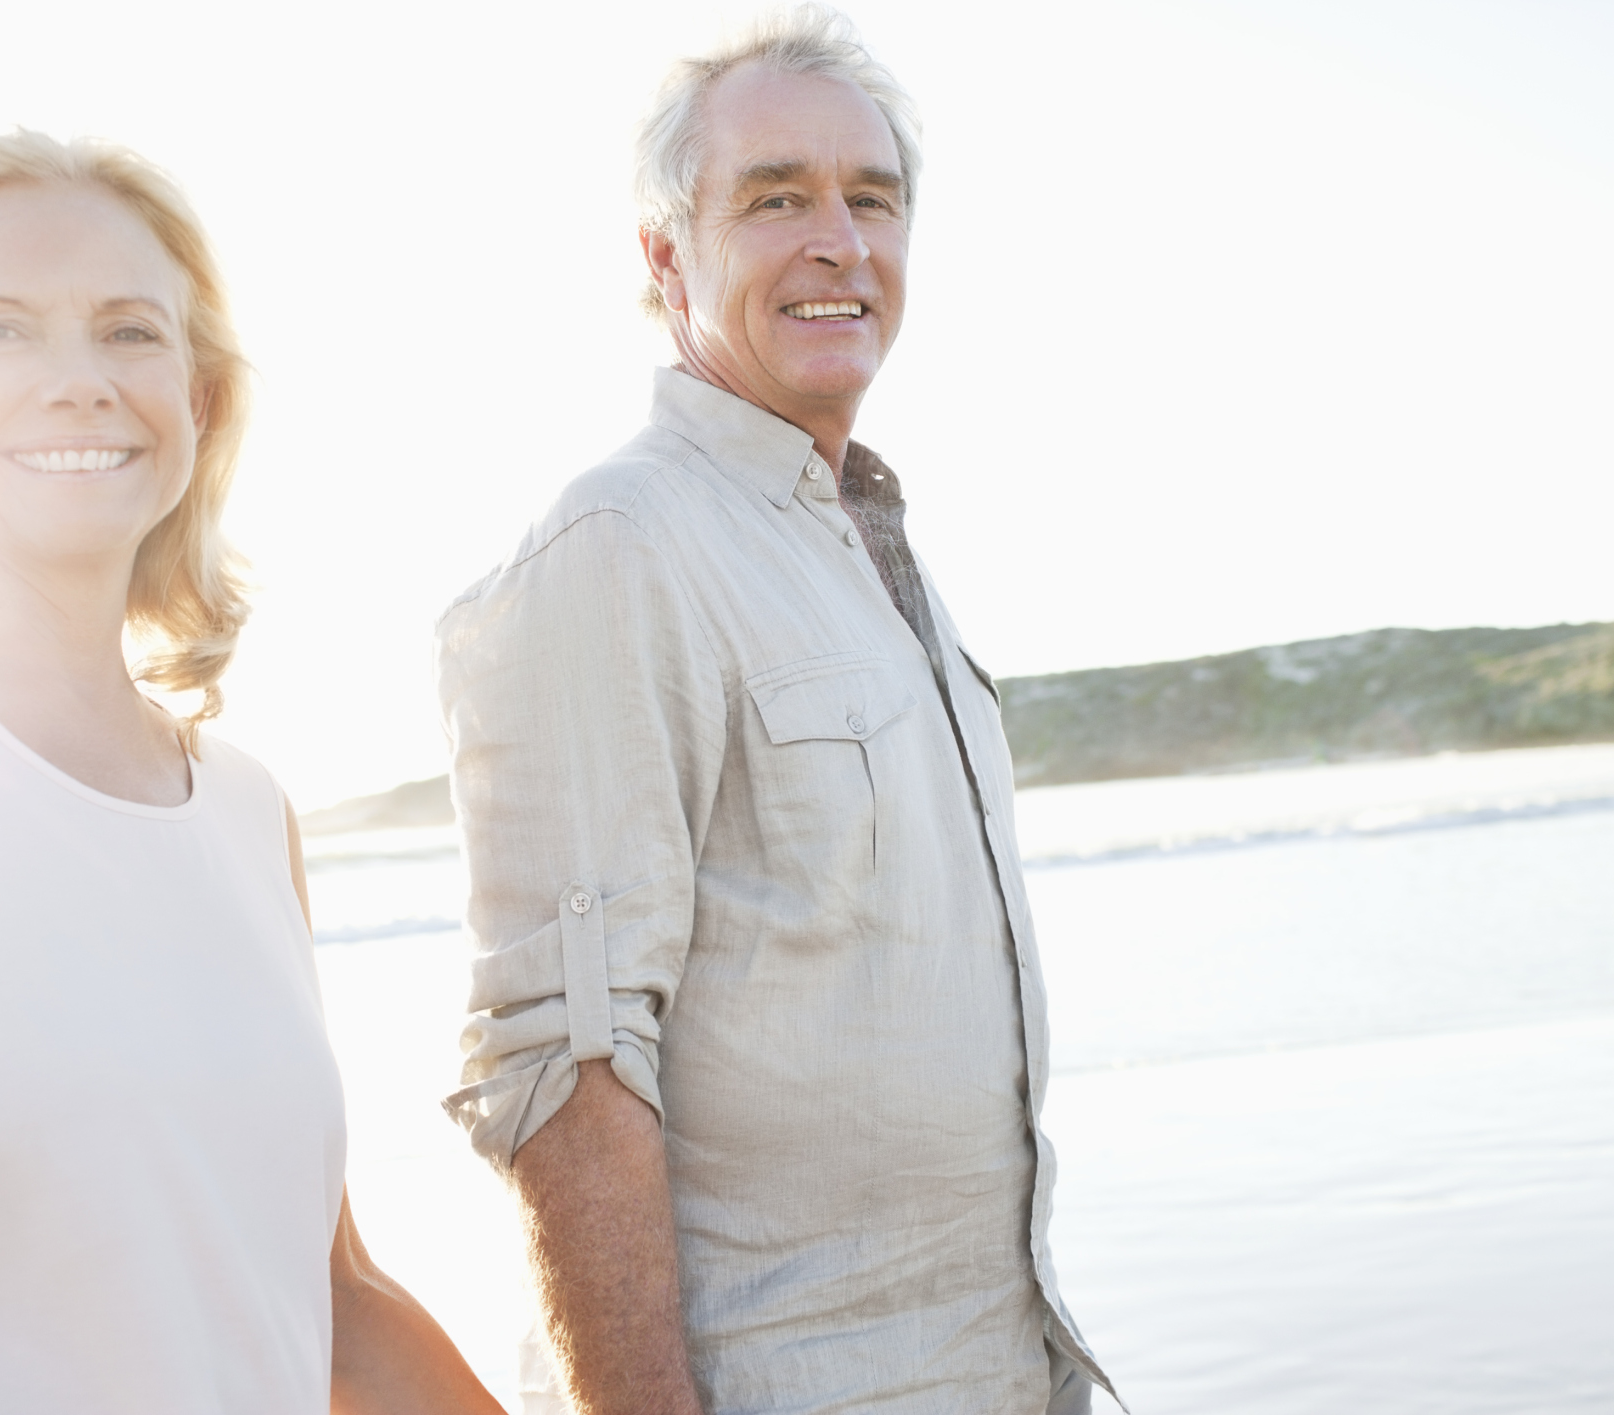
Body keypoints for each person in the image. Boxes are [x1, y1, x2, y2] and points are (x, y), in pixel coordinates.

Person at [0, 132, 503, 1415]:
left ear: (202, 397)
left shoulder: (245, 810)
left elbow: (328, 1309)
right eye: (1, 331)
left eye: (129, 332)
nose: (80, 383)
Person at [435, 7, 1121, 1414]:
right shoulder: (617, 545)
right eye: (774, 198)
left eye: (871, 198)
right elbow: (565, 1067)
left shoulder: (869, 546)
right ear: (663, 256)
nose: (837, 240)